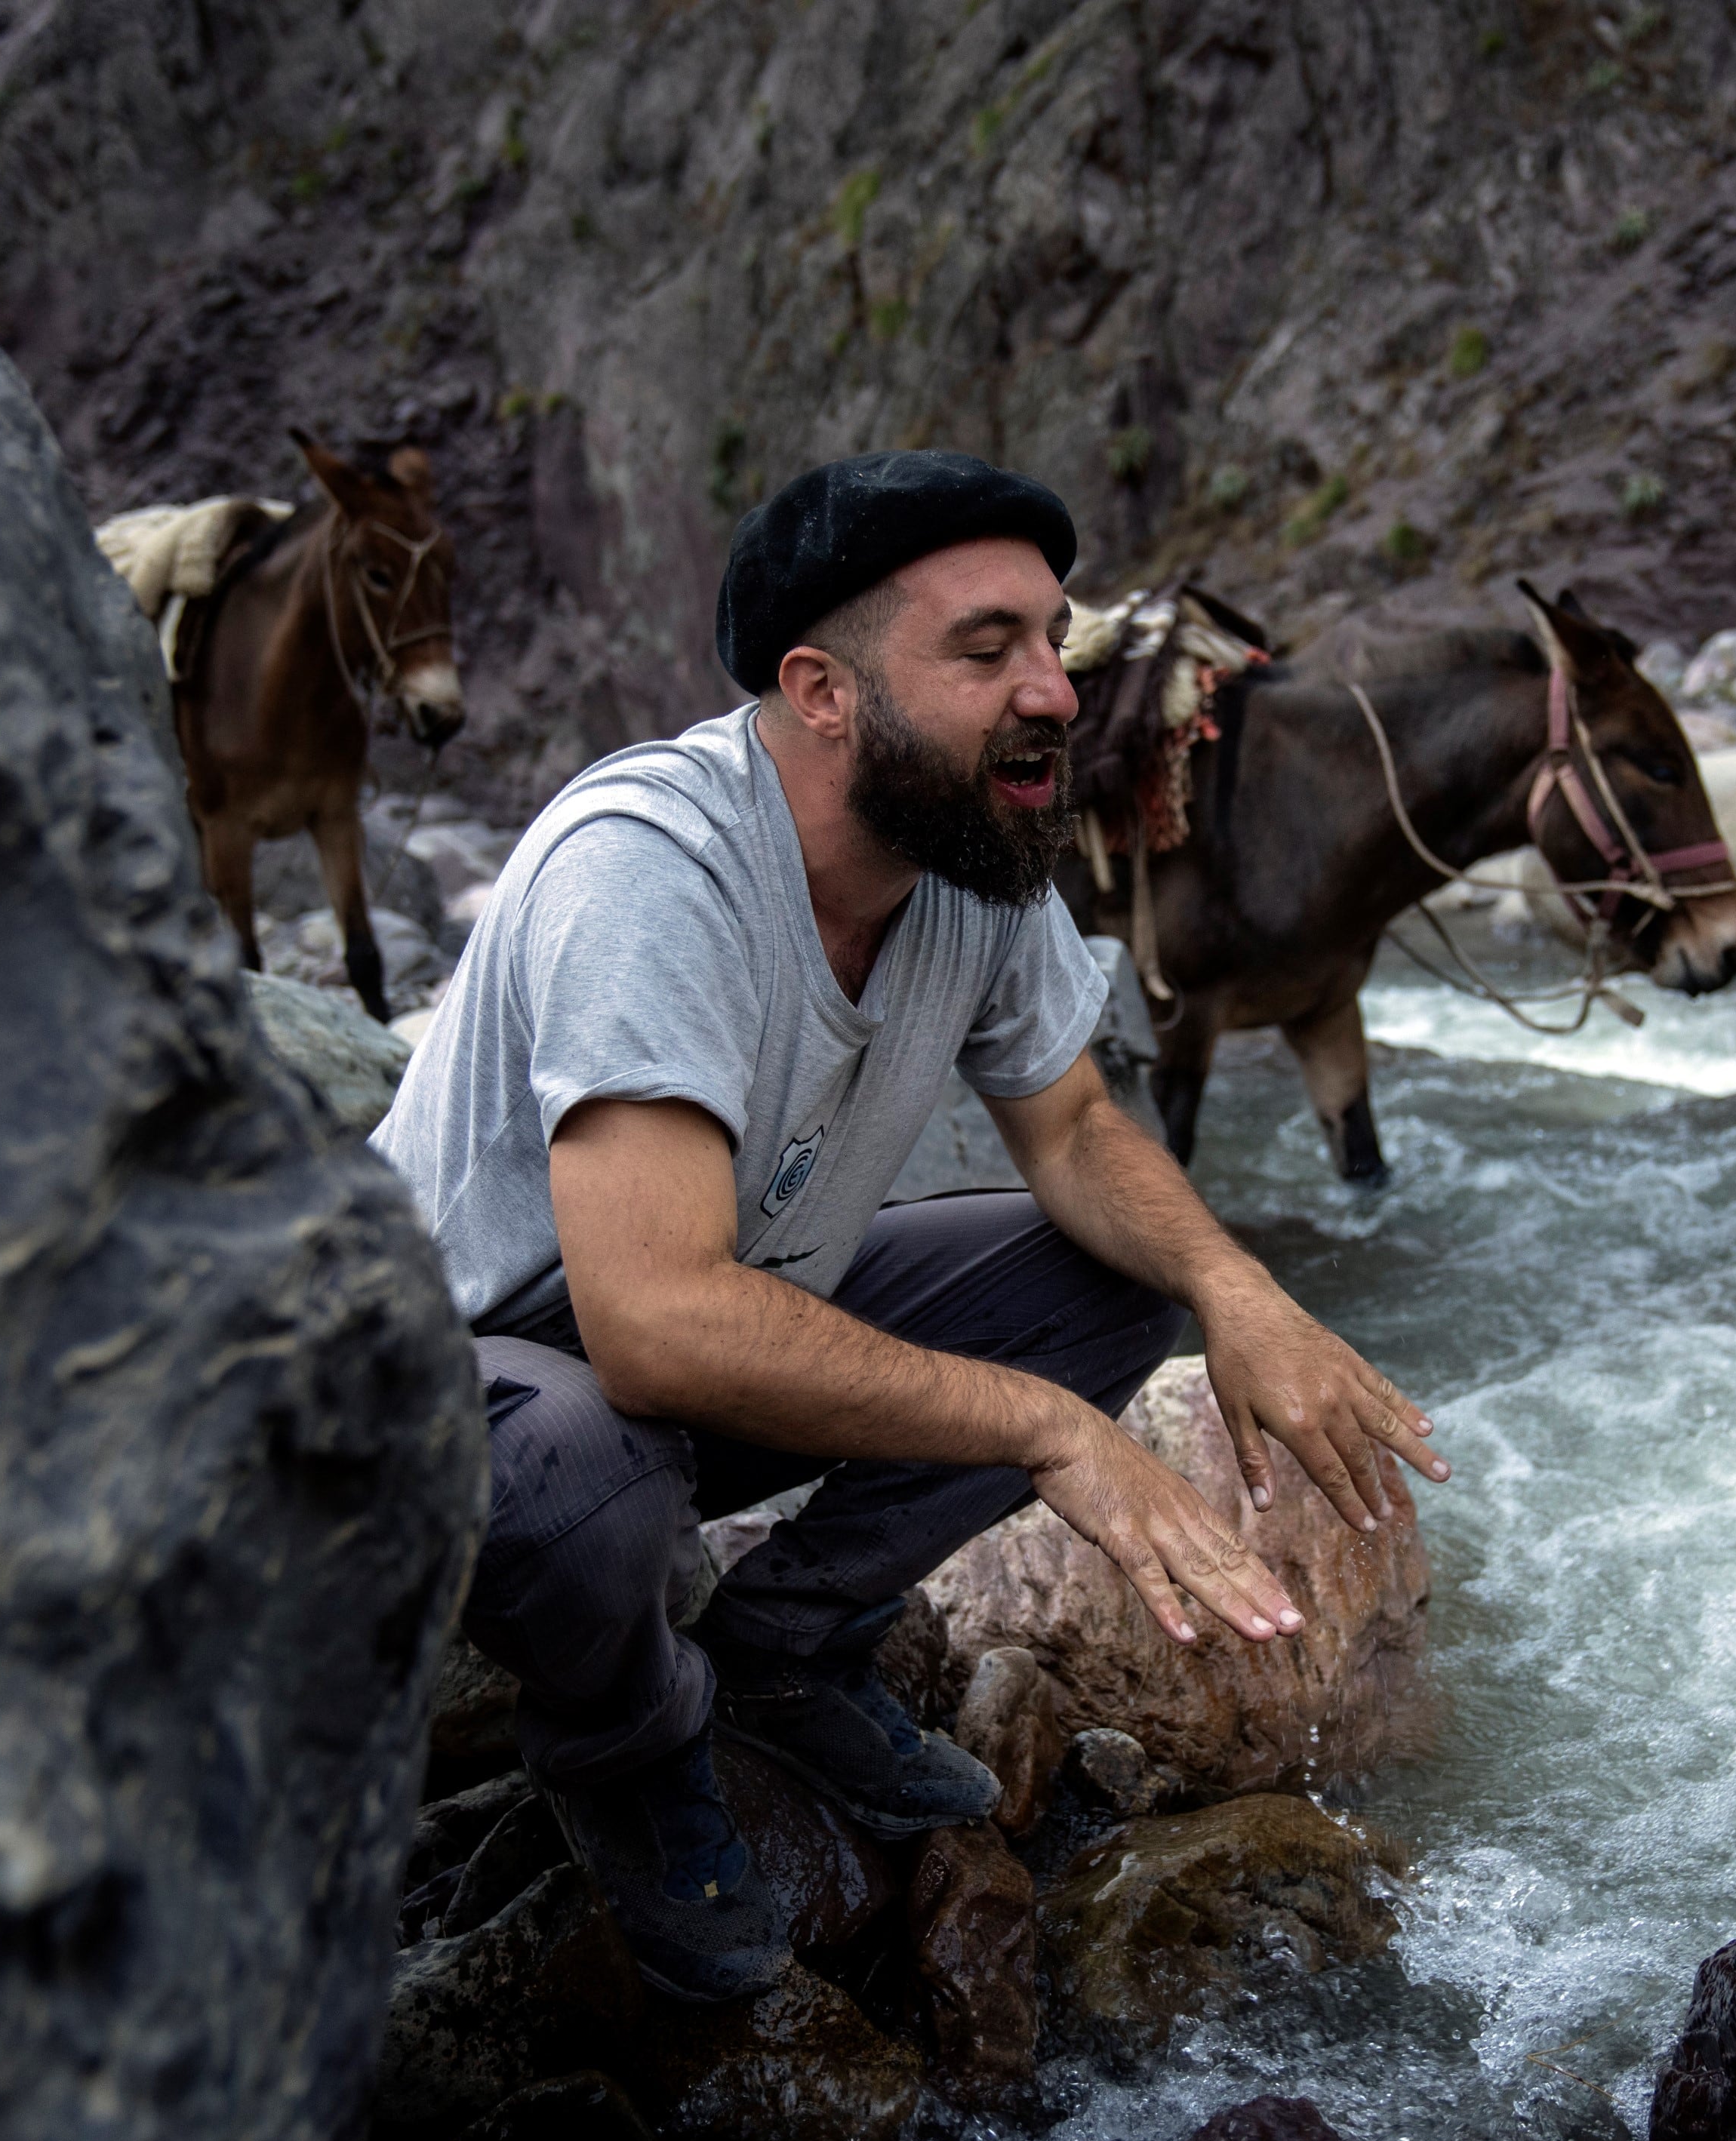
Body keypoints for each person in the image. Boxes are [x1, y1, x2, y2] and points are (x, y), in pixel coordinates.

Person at [373, 450, 1448, 2000]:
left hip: (699, 1343)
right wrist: (1048, 1432)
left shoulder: (971, 862)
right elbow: (654, 1323)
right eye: (986, 647)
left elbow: (1075, 1128)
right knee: (582, 1472)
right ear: (821, 691)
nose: (1058, 692)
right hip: (449, 1390)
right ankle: (630, 1750)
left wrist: (1238, 1288)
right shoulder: (651, 868)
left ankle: (787, 1648)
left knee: (1109, 1277)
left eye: (1052, 641)